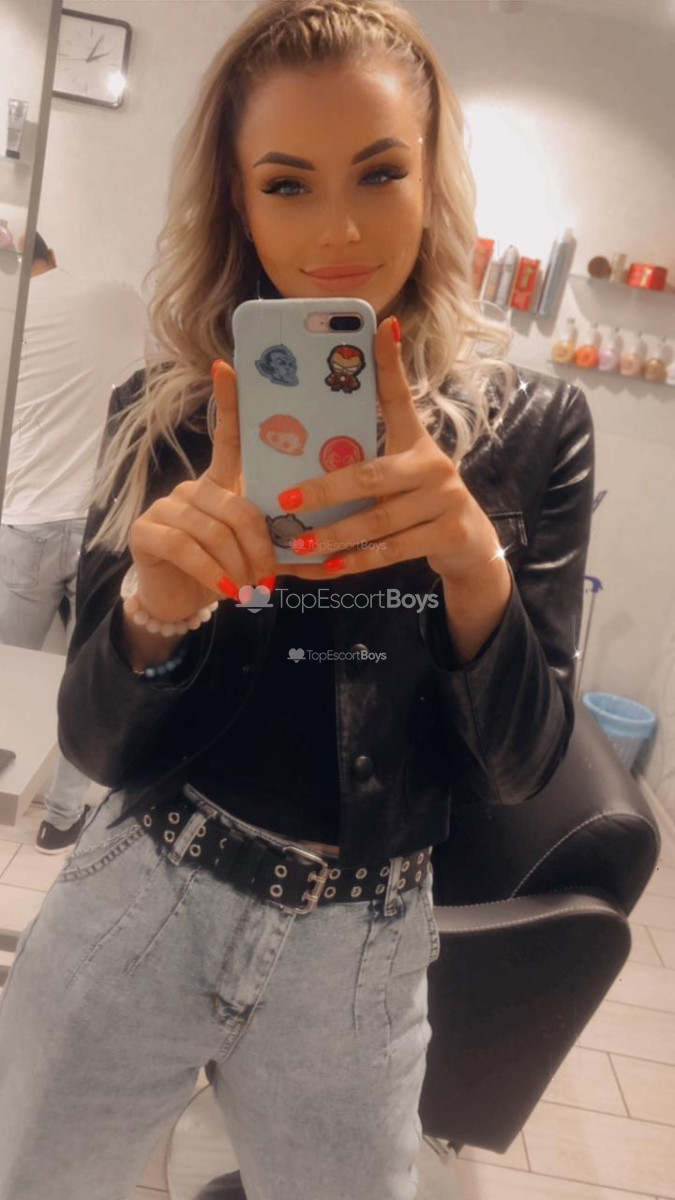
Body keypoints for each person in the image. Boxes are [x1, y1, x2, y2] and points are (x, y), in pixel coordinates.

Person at [0, 2, 594, 1199]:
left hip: (364, 946)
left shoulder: (533, 430)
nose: (338, 232)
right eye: (287, 185)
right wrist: (156, 614)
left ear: (431, 178)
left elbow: (524, 769)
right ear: (238, 198)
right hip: (146, 892)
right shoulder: (167, 415)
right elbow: (96, 746)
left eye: (379, 173)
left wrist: (473, 570)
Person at [0, 230, 148, 853]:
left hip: (24, 519)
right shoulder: (114, 298)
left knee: (6, 671)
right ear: (50, 252)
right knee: (89, 676)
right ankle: (61, 819)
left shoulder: (11, 320)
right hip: (103, 525)